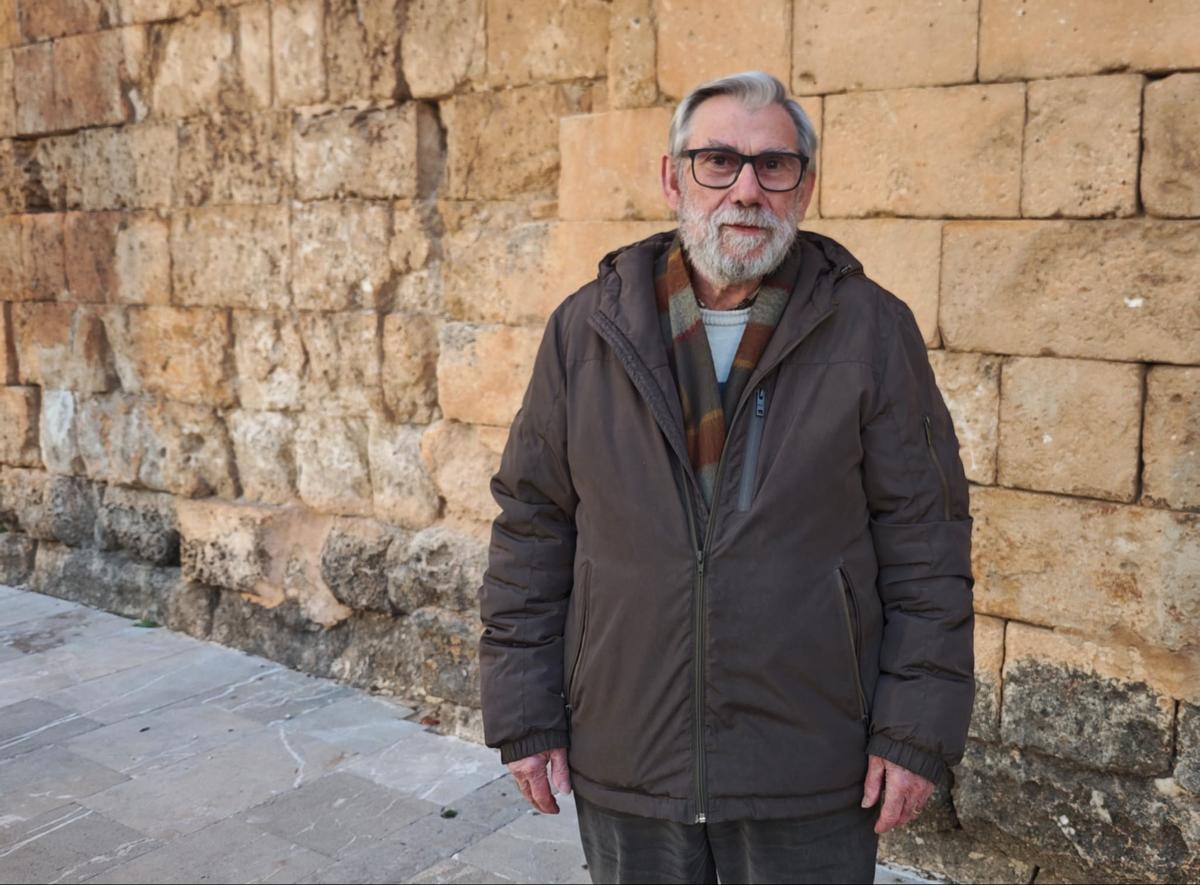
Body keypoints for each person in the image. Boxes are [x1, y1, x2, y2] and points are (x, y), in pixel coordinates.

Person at [478, 70, 975, 884]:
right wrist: (525, 714)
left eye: (773, 166)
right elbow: (533, 527)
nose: (746, 188)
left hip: (810, 768)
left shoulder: (872, 330)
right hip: (630, 753)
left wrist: (915, 728)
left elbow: (927, 539)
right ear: (673, 178)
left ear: (804, 187)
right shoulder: (586, 332)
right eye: (718, 161)